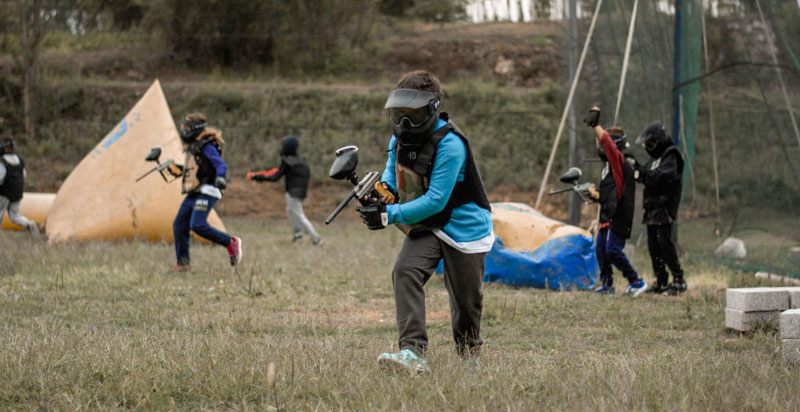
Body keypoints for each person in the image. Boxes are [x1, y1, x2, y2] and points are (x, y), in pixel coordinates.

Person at [357, 70, 494, 374]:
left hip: (464, 230)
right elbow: (393, 178)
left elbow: (436, 199)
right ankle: (413, 353)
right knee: (405, 271)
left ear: (432, 109)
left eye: (413, 114)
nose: (404, 122)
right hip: (430, 224)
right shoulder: (398, 140)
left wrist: (389, 215)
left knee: (466, 304)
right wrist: (381, 198)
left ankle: (469, 359)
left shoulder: (451, 144)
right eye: (399, 114)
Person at [584, 107, 646, 296]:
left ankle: (636, 281)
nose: (601, 145)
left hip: (619, 215)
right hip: (608, 213)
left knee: (613, 251)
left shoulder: (619, 161)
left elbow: (609, 145)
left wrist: (596, 125)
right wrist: (597, 196)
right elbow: (611, 193)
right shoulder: (608, 168)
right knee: (601, 251)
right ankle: (608, 285)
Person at [169, 113, 242, 272]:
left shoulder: (207, 146)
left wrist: (221, 178)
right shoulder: (194, 146)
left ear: (196, 129)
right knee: (179, 225)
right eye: (184, 127)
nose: (184, 131)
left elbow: (220, 165)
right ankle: (183, 264)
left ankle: (230, 242)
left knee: (198, 225)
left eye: (187, 128)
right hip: (196, 190)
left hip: (208, 190)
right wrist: (178, 170)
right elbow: (197, 169)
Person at [634, 121, 686, 296]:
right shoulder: (655, 160)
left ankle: (679, 280)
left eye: (650, 143)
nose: (648, 147)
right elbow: (648, 174)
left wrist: (642, 174)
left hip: (664, 208)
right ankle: (661, 280)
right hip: (651, 209)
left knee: (665, 244)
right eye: (646, 145)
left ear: (660, 140)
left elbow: (662, 176)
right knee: (653, 246)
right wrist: (636, 168)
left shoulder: (671, 155)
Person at [249, 136, 322, 245]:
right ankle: (298, 234)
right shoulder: (302, 160)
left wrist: (259, 177)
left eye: (283, 146)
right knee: (290, 210)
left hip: (292, 192)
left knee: (299, 215)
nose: (282, 148)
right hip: (302, 191)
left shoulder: (287, 161)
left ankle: (316, 239)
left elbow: (276, 176)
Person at [0, 136, 40, 236]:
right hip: (17, 192)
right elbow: (24, 175)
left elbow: (0, 177)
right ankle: (29, 224)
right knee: (15, 216)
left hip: (4, 193)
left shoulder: (2, 161)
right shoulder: (19, 159)